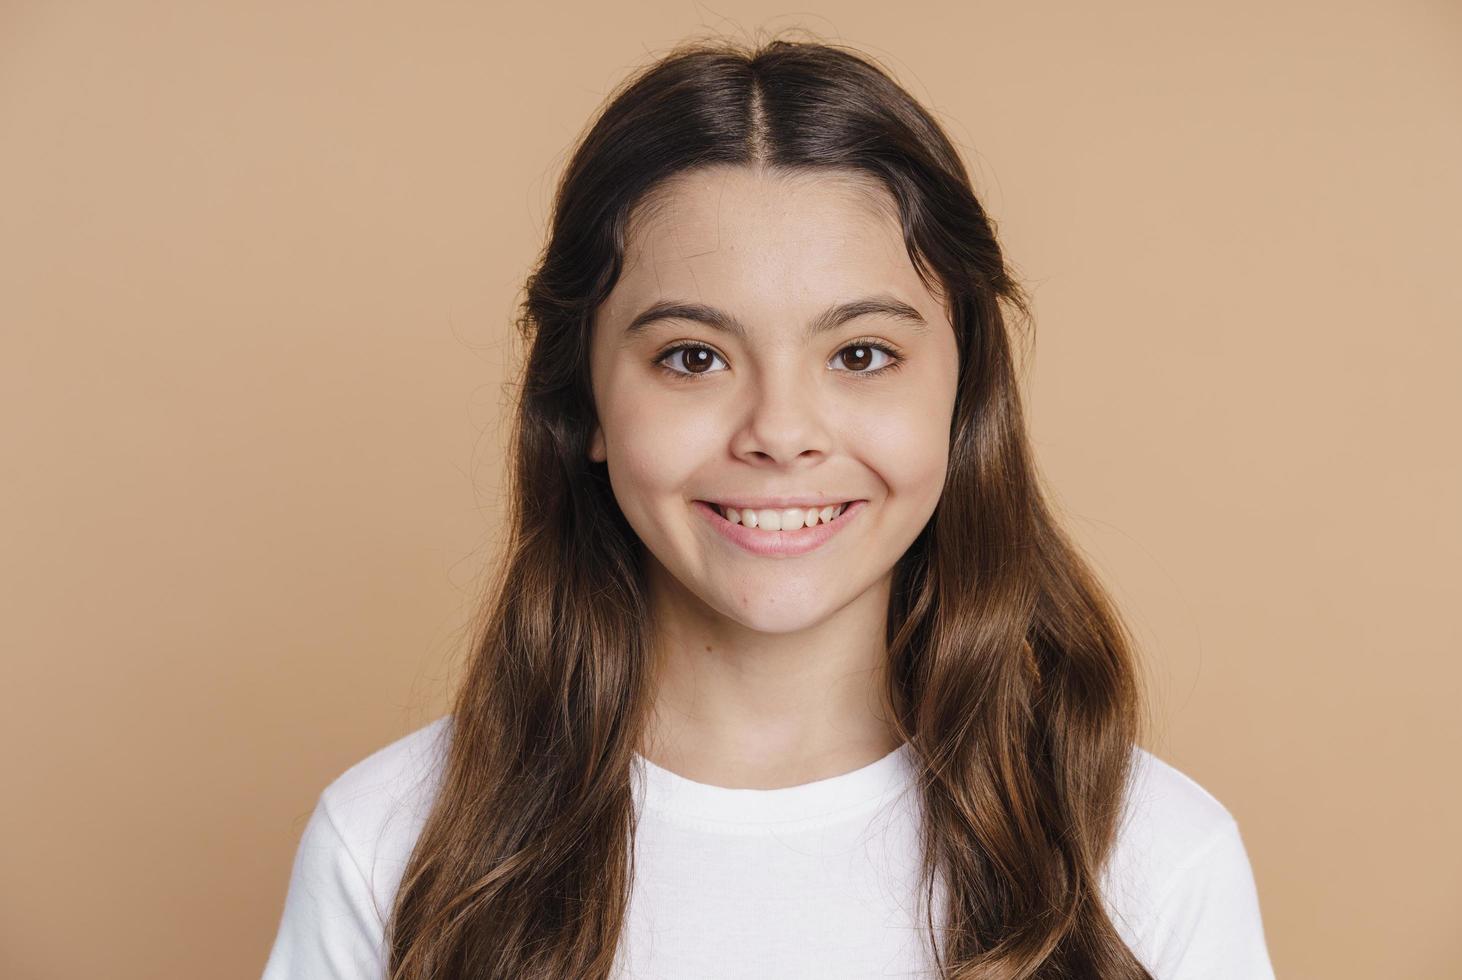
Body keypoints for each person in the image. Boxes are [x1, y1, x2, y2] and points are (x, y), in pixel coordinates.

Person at [261, 35, 1276, 980]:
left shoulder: (1149, 860)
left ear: (963, 394)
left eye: (862, 354)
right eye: (692, 357)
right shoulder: (389, 842)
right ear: (587, 402)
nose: (780, 430)